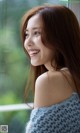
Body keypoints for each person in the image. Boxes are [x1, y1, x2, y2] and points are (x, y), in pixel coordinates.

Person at [21, 4, 80, 133]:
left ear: (60, 36)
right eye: (27, 34)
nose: (28, 43)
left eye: (36, 33)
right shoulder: (73, 75)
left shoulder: (49, 80)